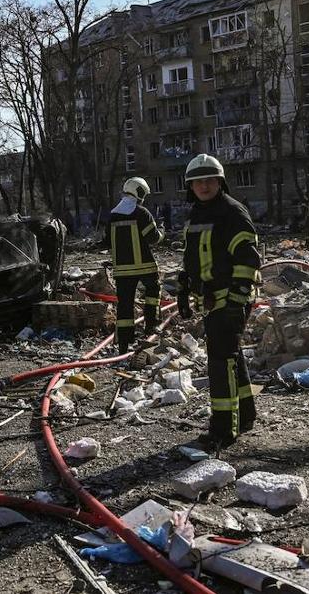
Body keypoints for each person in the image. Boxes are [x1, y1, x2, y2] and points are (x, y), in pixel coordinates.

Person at [176, 155, 262, 451]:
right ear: (190, 186)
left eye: (209, 180)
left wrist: (237, 301)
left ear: (220, 181)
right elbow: (193, 257)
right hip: (212, 300)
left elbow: (249, 259)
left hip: (229, 299)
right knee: (231, 356)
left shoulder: (232, 212)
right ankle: (246, 414)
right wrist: (184, 288)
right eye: (198, 181)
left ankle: (224, 429)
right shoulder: (197, 214)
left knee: (219, 361)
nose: (203, 185)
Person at [105, 177, 164, 353]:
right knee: (153, 290)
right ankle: (151, 325)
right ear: (139, 192)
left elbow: (107, 241)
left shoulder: (112, 215)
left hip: (122, 269)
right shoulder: (141, 213)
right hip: (144, 265)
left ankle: (124, 342)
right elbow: (153, 238)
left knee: (124, 304)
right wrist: (162, 233)